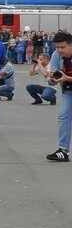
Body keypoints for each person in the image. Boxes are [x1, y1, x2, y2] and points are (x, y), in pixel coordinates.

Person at [44, 31, 72, 162]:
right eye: (57, 47)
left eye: (63, 47)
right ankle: (63, 150)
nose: (59, 50)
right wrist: (52, 79)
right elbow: (52, 79)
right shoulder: (56, 55)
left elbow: (66, 78)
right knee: (63, 116)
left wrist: (68, 78)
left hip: (69, 84)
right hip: (68, 91)